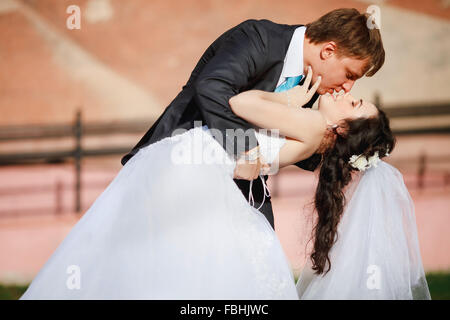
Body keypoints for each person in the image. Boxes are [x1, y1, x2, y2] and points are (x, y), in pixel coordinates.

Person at [20, 66, 402, 299]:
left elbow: (239, 105)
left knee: (138, 252)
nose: (346, 94)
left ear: (341, 129)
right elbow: (251, 158)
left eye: (354, 105)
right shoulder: (314, 141)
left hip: (190, 166)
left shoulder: (312, 123)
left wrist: (287, 100)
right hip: (209, 173)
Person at [120, 8, 385, 228]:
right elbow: (212, 87)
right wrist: (246, 150)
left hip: (244, 187)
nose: (348, 88)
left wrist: (349, 150)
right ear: (328, 51)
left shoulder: (313, 80)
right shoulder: (259, 38)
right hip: (179, 164)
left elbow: (290, 141)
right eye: (350, 74)